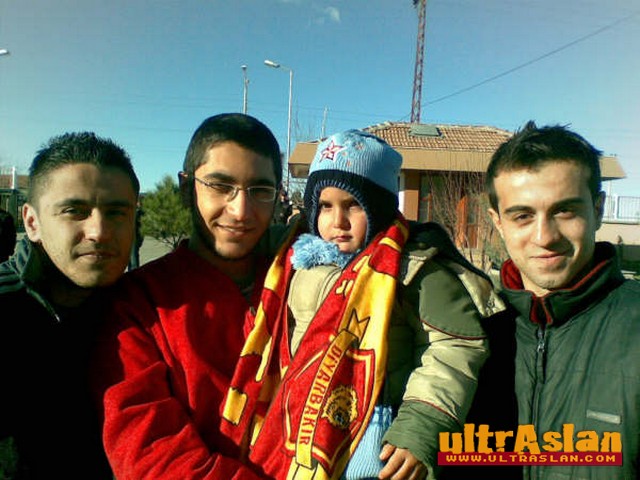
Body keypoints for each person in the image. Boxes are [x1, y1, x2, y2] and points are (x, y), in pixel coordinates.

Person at [220, 130, 507, 479]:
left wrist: (420, 425)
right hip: (299, 422)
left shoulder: (414, 268)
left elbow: (454, 346)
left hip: (376, 430)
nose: (337, 221)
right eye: (325, 206)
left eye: (353, 205)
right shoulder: (294, 259)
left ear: (379, 207)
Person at [91, 113, 285, 479]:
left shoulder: (302, 283)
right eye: (220, 186)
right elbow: (152, 456)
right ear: (186, 187)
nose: (240, 211)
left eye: (260, 190)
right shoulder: (137, 304)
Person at [486, 121, 640, 480]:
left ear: (598, 210)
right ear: (498, 222)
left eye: (564, 211)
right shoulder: (465, 330)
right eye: (522, 216)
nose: (544, 237)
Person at [0, 131, 140, 479]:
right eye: (74, 211)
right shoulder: (7, 310)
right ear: (32, 222)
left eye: (116, 212)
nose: (99, 231)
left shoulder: (145, 312)